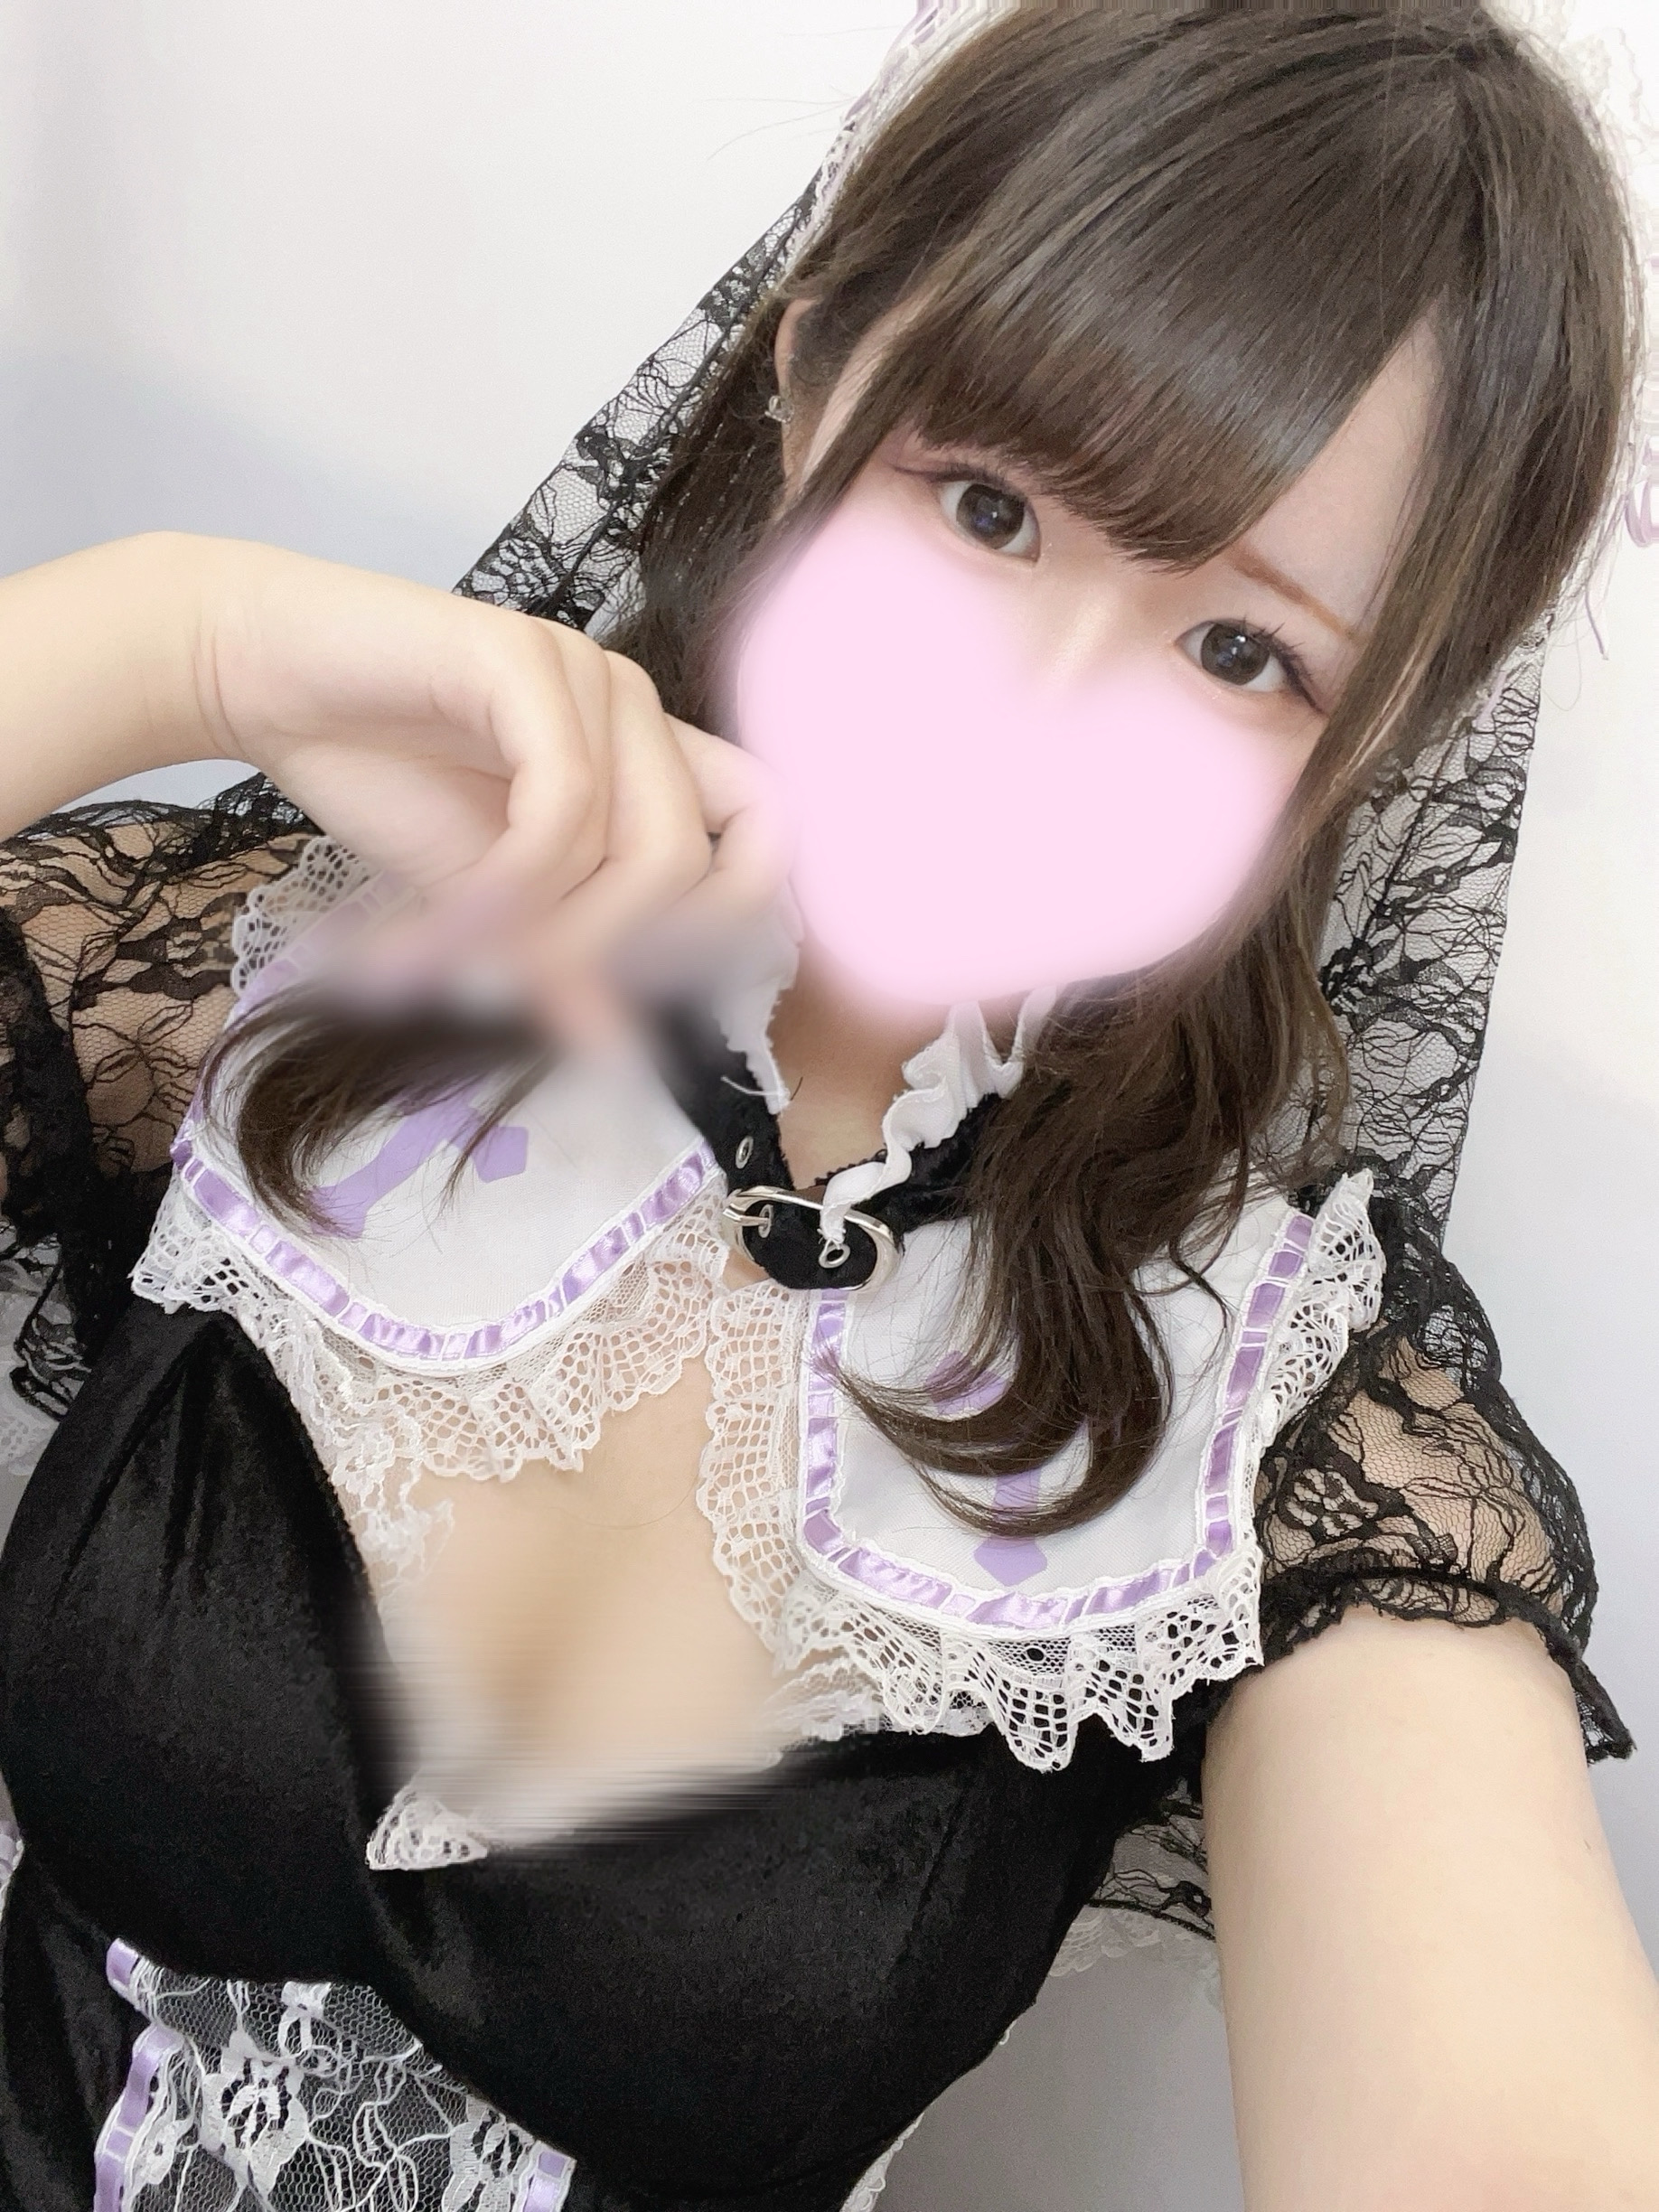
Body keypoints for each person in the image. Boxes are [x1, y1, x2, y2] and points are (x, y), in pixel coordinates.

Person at [1, 5, 1656, 2208]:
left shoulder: (1276, 1421)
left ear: (1370, 743)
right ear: (805, 382)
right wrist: (182, 640)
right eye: (989, 507)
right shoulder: (263, 980)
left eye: (1241, 652)